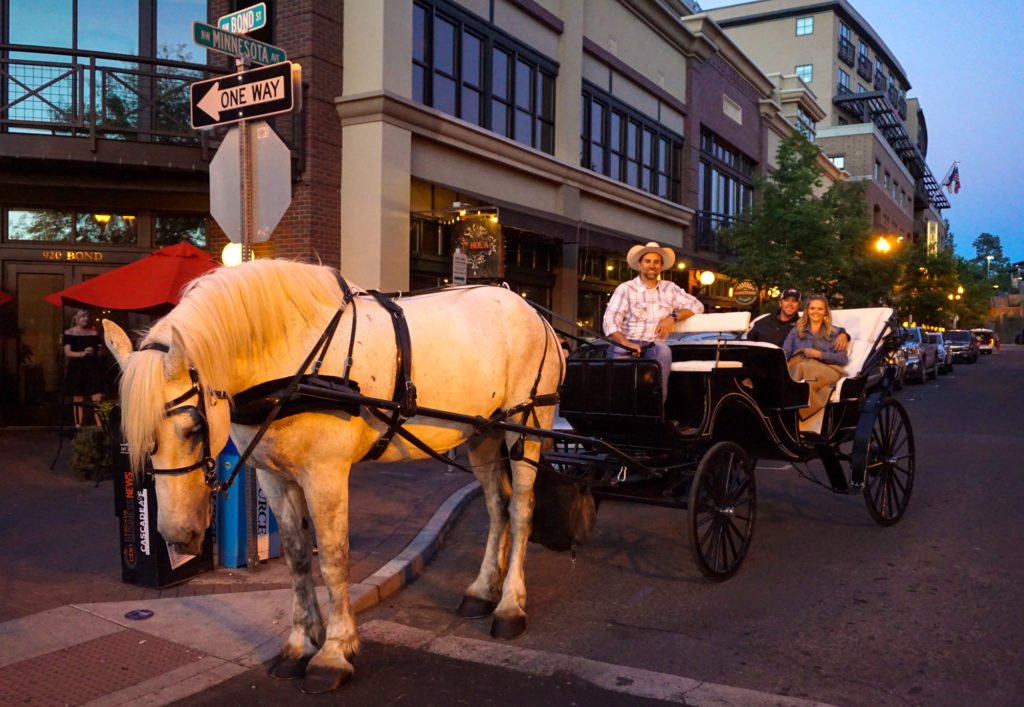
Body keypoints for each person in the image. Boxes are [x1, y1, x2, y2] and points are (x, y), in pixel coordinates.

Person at [603, 241, 704, 400]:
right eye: (648, 261)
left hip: (655, 343)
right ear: (640, 264)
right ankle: (619, 409)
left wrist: (673, 317)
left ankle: (655, 412)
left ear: (661, 266)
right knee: (618, 358)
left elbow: (697, 305)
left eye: (657, 262)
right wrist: (626, 343)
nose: (652, 265)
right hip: (628, 341)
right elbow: (610, 321)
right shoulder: (626, 288)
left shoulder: (670, 288)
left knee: (664, 352)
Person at [782, 295, 848, 422]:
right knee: (795, 368)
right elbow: (785, 354)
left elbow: (842, 359)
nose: (815, 312)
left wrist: (818, 354)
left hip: (829, 370)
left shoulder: (835, 332)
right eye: (812, 308)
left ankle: (792, 412)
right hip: (801, 368)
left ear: (825, 312)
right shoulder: (796, 332)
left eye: (820, 309)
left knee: (801, 367)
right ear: (807, 310)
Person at [748, 287, 850, 352]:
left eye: (794, 301)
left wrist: (843, 334)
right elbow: (748, 344)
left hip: (783, 369)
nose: (790, 304)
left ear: (798, 305)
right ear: (780, 303)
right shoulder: (762, 322)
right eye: (786, 300)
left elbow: (827, 326)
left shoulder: (802, 324)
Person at [62, 309, 104, 427]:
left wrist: (95, 352)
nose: (85, 319)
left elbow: (100, 351)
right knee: (78, 399)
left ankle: (100, 427)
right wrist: (82, 353)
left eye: (87, 316)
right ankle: (78, 427)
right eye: (82, 317)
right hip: (77, 368)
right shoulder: (69, 333)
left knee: (97, 397)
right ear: (76, 318)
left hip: (92, 367)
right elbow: (68, 352)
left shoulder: (93, 333)